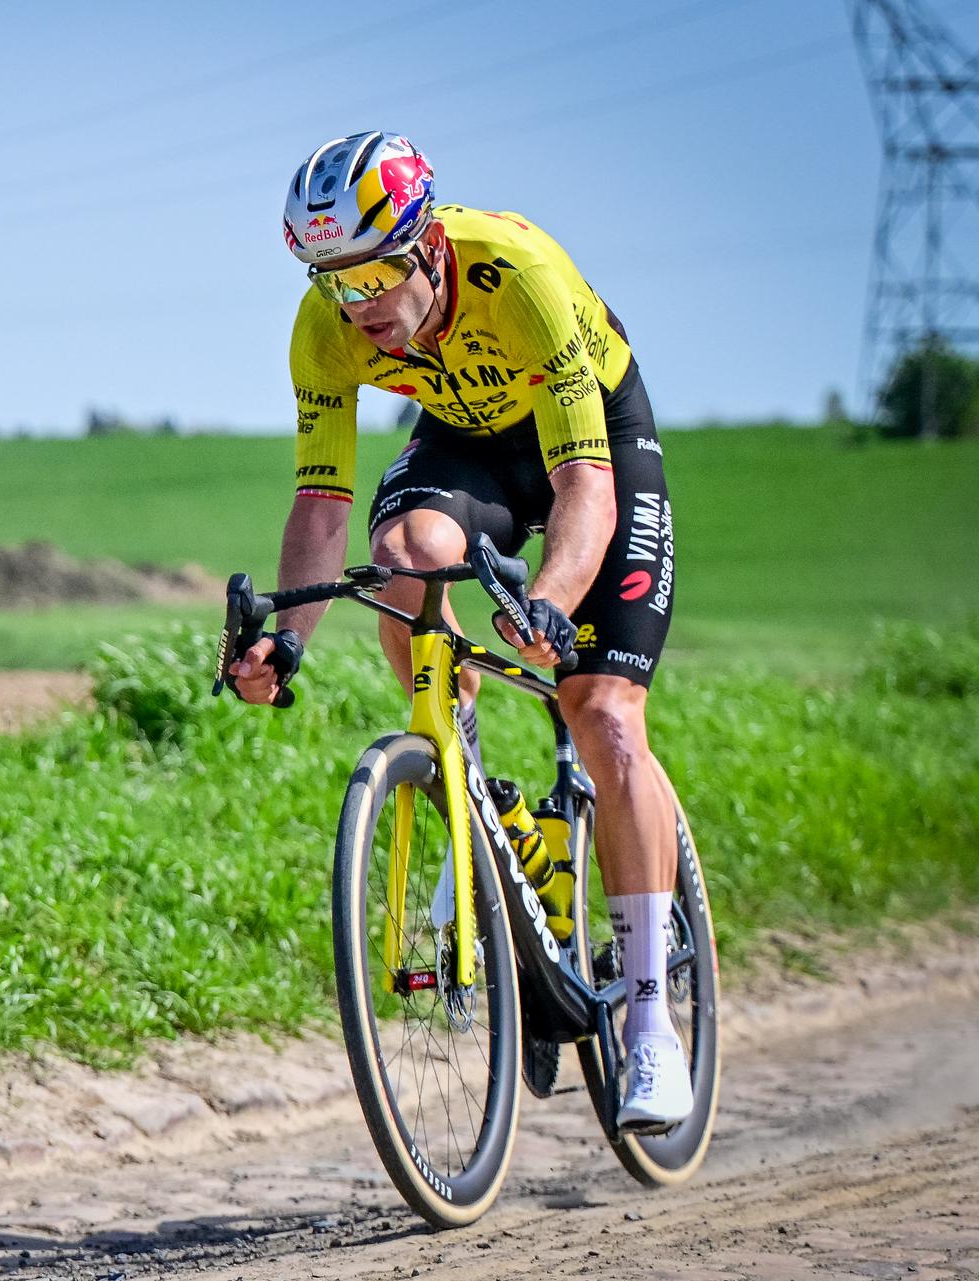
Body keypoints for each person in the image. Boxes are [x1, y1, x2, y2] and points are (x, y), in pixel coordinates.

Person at [228, 131, 689, 1132]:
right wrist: (289, 636)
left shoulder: (518, 278)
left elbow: (584, 490)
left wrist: (553, 602)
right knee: (402, 550)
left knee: (604, 716)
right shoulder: (328, 327)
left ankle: (653, 1023)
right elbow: (322, 506)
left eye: (382, 273)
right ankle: (467, 782)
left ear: (429, 243)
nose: (367, 307)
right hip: (467, 440)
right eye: (336, 282)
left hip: (593, 441)